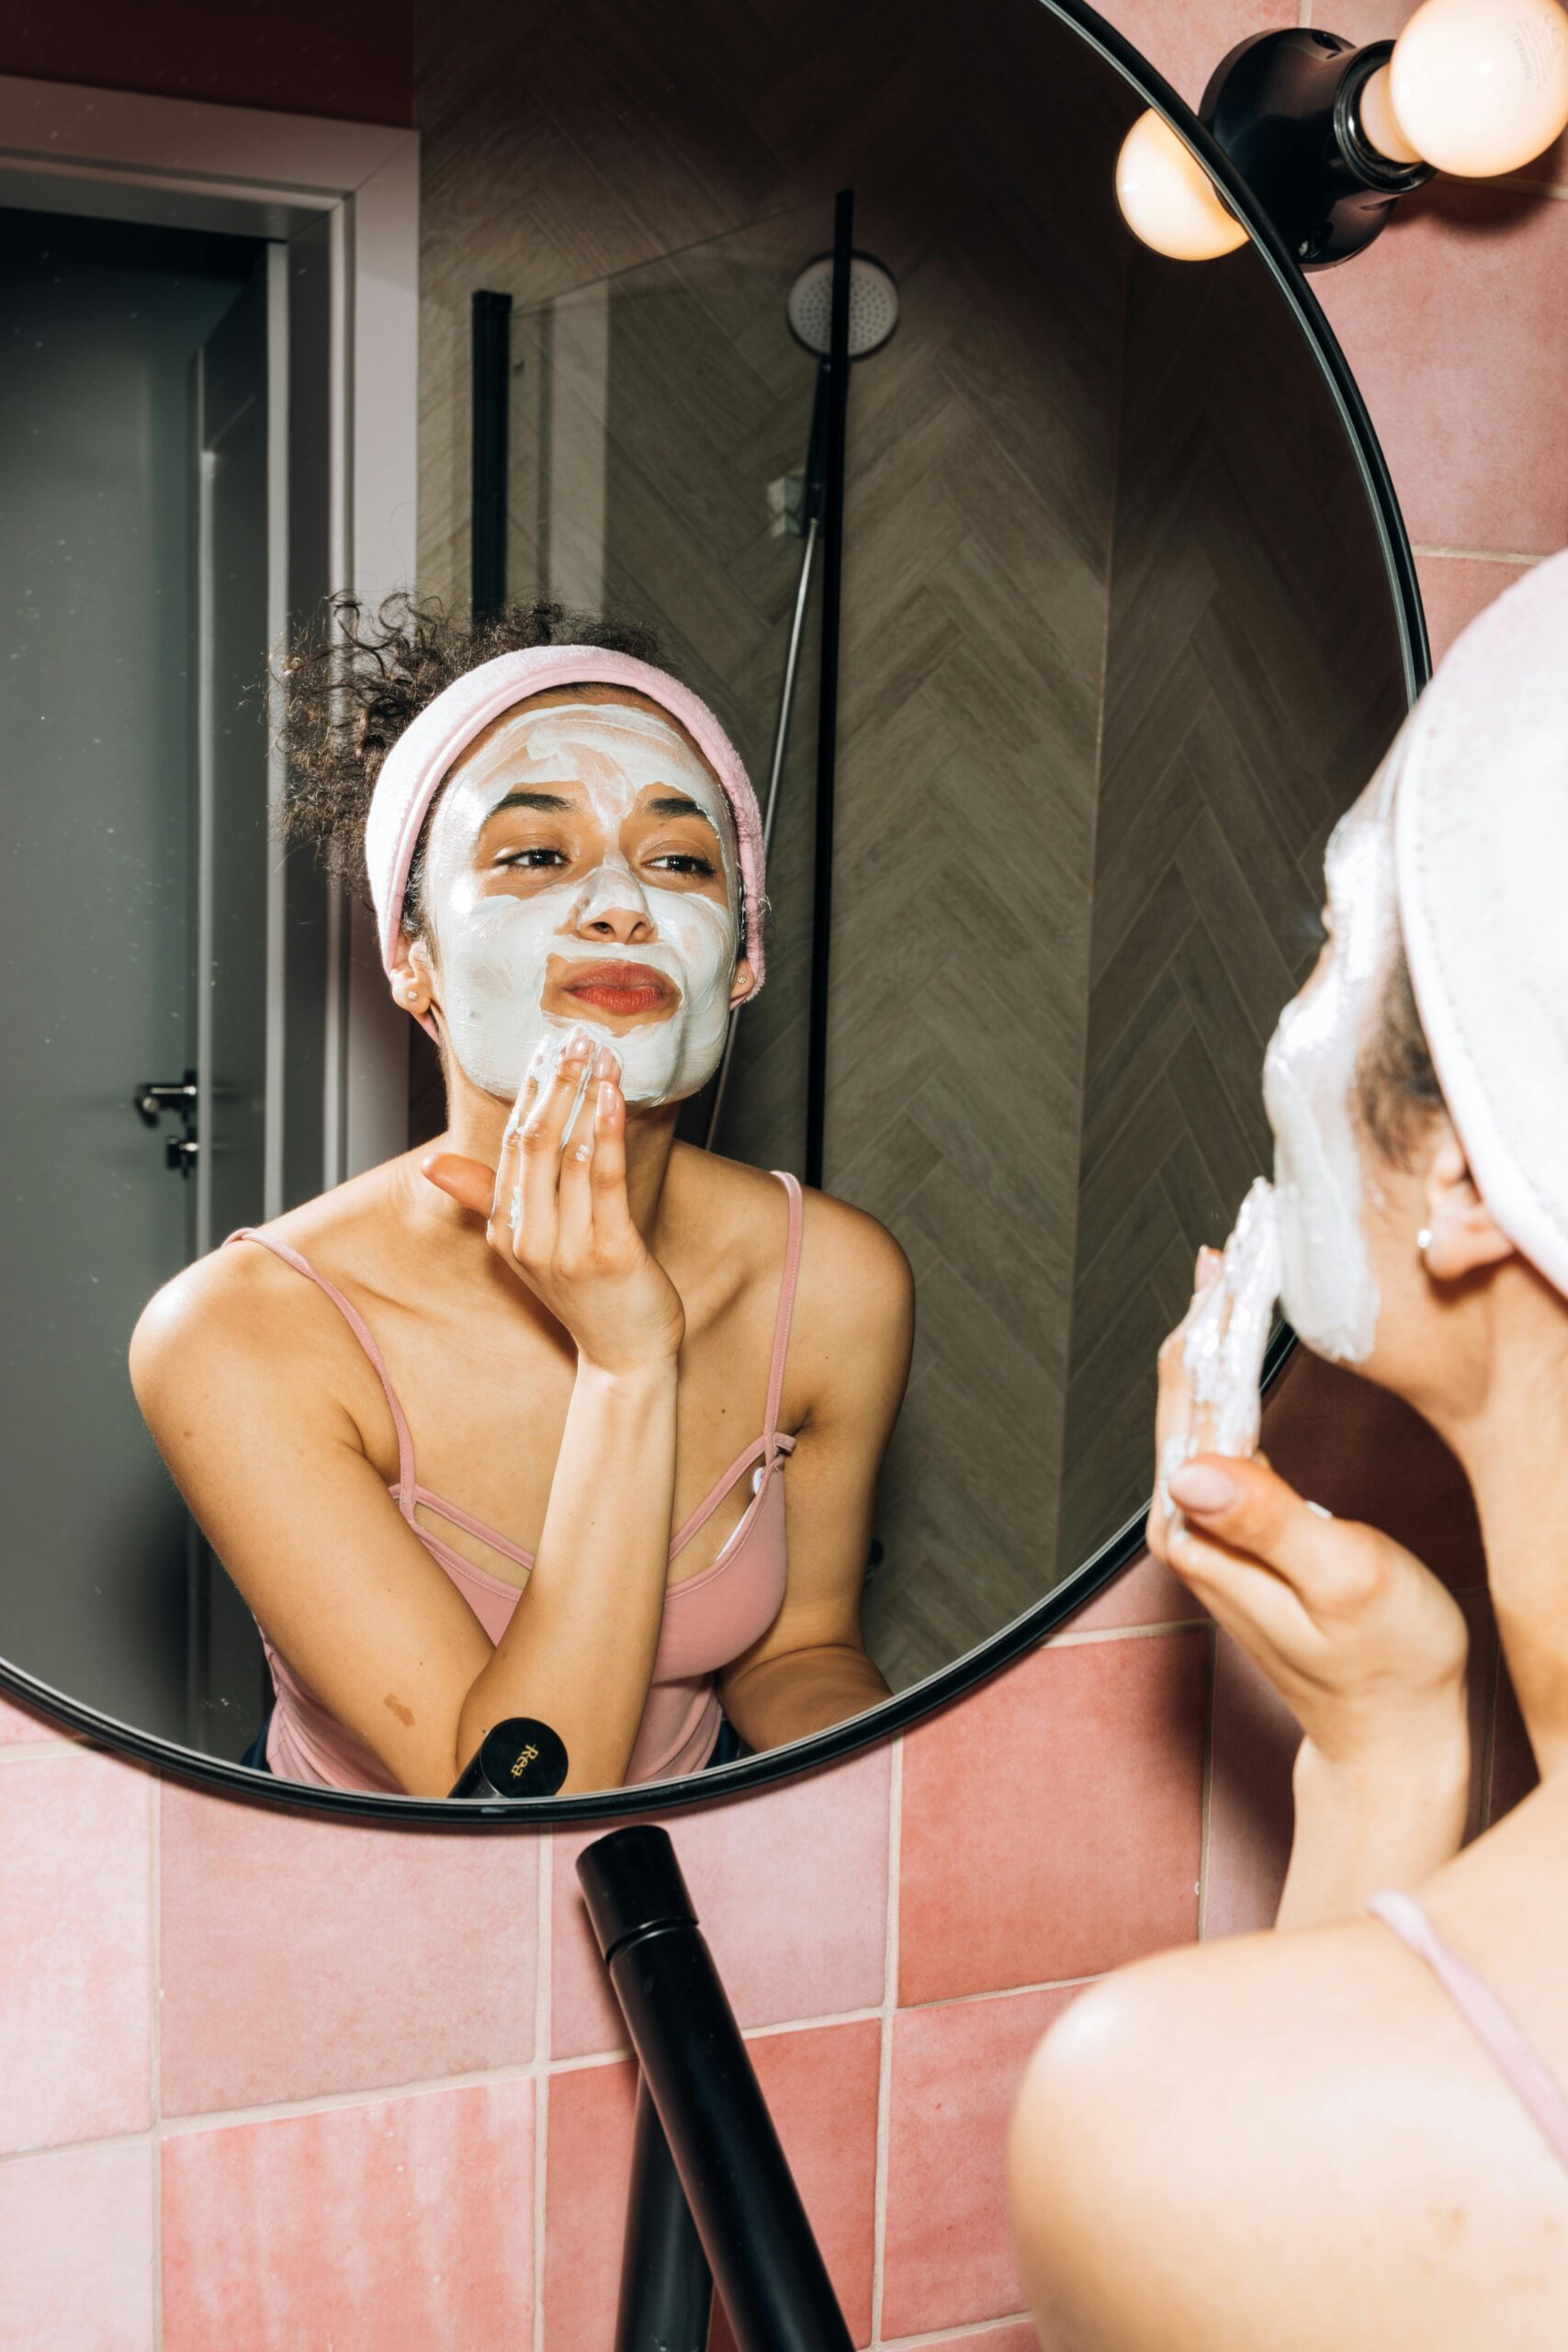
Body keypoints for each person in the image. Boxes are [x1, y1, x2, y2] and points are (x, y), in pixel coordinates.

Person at [1008, 548, 1568, 2347]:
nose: (1287, 1020)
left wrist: (1373, 1803)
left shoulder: (1173, 2120)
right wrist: (1387, 1747)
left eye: (1334, 939)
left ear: (1472, 1165)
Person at [130, 596, 910, 1798]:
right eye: (536, 855)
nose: (620, 905)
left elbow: (801, 1649)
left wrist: (893, 1812)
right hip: (363, 1905)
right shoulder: (239, 1334)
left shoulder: (835, 1280)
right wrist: (627, 1362)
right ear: (414, 957)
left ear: (741, 957)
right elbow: (507, 1799)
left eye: (680, 860)